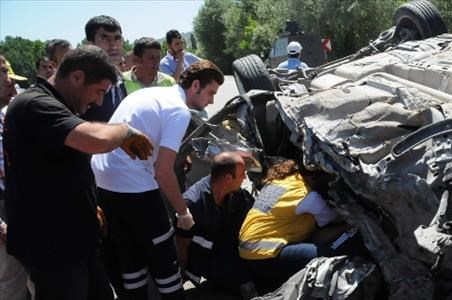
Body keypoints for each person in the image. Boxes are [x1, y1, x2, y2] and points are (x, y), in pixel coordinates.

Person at [3, 45, 154, 300]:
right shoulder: (34, 103)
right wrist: (125, 130)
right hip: (53, 246)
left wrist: (88, 203)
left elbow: (58, 165)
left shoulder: (57, 104)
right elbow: (91, 139)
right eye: (99, 91)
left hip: (75, 238)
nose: (99, 101)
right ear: (77, 77)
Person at [91, 59, 225, 300]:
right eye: (211, 93)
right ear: (195, 85)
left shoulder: (149, 94)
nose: (212, 100)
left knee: (131, 264)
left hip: (104, 186)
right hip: (135, 190)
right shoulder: (178, 110)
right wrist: (183, 213)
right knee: (166, 264)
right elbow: (163, 172)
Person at [239, 159, 362, 293]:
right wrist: (346, 227)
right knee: (338, 247)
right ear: (313, 177)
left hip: (248, 255)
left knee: (317, 242)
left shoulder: (280, 181)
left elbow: (315, 234)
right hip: (266, 256)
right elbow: (335, 219)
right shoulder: (307, 194)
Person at [174, 152, 256, 298]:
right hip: (205, 259)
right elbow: (182, 244)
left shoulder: (236, 195)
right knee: (240, 280)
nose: (244, 178)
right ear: (228, 178)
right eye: (242, 173)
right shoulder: (192, 204)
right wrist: (181, 275)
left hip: (226, 250)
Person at [0, 54, 29, 300]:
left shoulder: (7, 114)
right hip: (2, 212)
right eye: (2, 73)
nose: (10, 81)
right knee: (11, 281)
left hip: (20, 203)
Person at [81, 15, 127, 122]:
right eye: (105, 38)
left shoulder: (120, 79)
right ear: (90, 45)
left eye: (117, 38)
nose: (113, 45)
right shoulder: (82, 83)